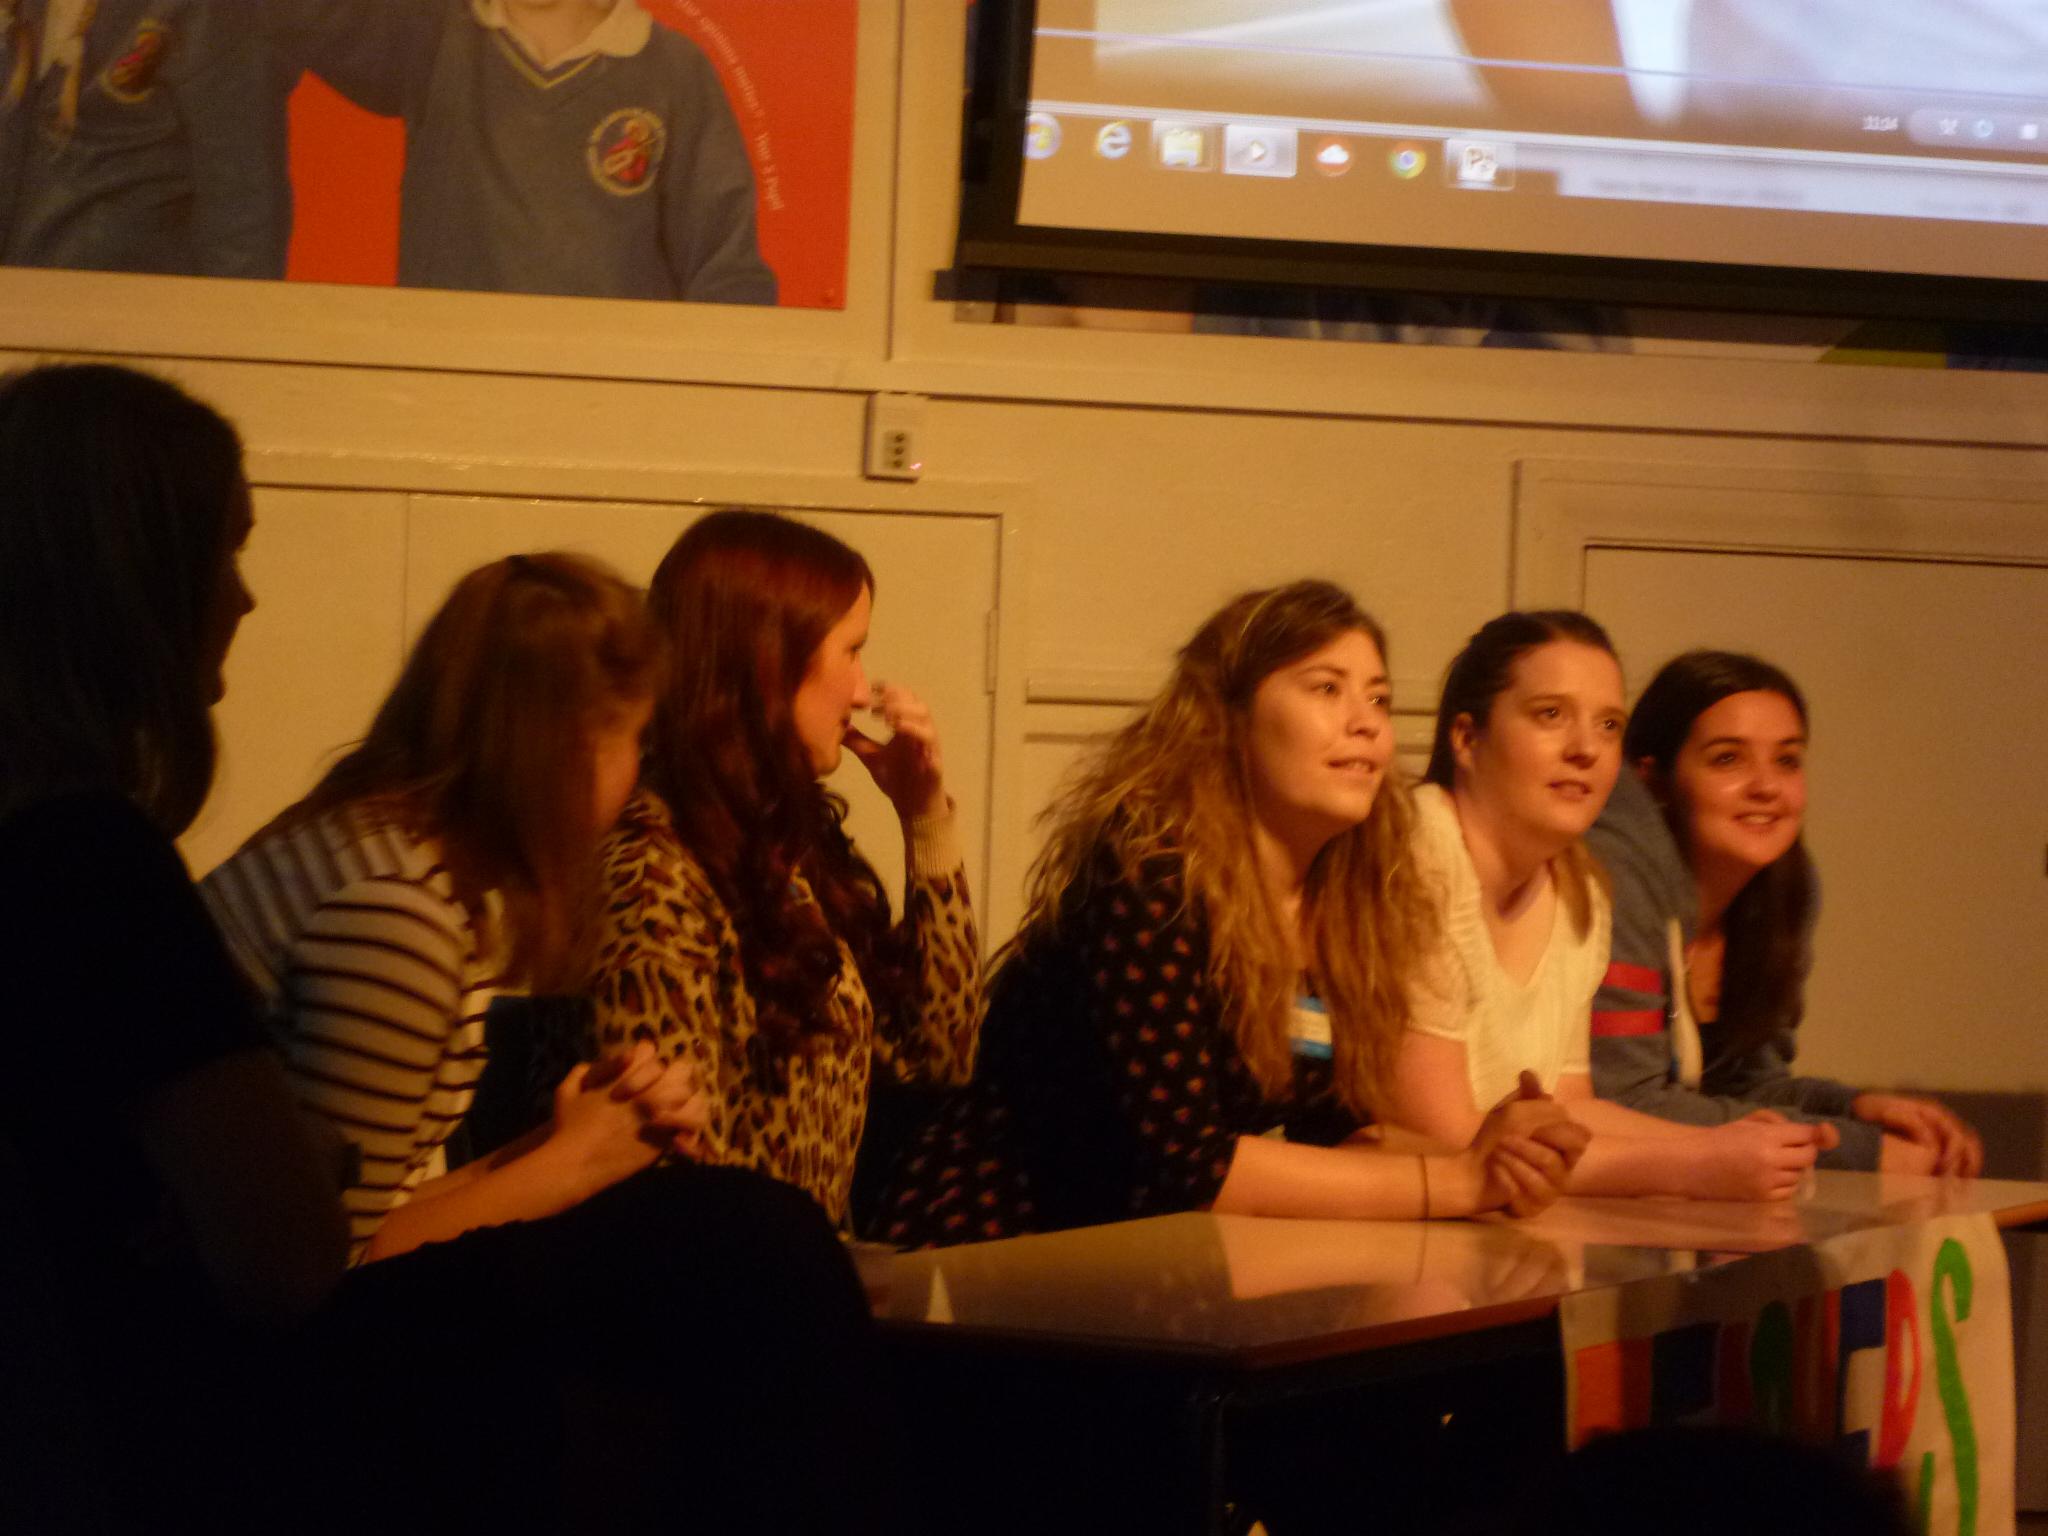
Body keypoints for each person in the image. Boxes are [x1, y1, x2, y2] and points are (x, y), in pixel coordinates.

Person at [878, 580, 1590, 1250]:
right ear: (1231, 716)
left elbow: (1334, 1133)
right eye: (1327, 688)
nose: (1367, 724)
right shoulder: (1149, 876)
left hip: (1161, 1268)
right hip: (999, 1256)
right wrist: (1460, 1181)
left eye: (1378, 698)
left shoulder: (1350, 898)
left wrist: (1500, 1158)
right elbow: (1193, 1167)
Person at [0, 362, 348, 1530]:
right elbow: (286, 1261)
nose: (244, 598)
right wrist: (308, 1156)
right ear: (134, 580)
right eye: (224, 551)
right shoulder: (91, 864)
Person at [201, 551, 711, 1262]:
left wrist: (562, 1143)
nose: (639, 770)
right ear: (567, 750)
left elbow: (376, 1210)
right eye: (635, 737)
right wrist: (579, 1161)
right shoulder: (396, 915)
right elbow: (323, 1270)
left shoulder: (385, 853)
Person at [583, 508, 982, 1229]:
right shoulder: (653, 872)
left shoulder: (790, 847)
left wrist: (925, 820)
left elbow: (941, 1057)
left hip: (798, 1274)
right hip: (725, 1285)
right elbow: (666, 1183)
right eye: (850, 652)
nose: (862, 692)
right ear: (768, 662)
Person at [1383, 612, 1837, 1200]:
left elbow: (1572, 1109)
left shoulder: (1580, 888)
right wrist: (1695, 1163)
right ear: (1468, 738)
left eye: (1608, 725)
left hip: (1488, 1223)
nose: (1585, 750)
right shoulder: (1421, 849)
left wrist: (1734, 1144)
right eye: (1551, 715)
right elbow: (1442, 1137)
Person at [1586, 650, 1983, 1176]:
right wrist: (1861, 1151)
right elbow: (1625, 1105)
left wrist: (1856, 1107)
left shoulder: (1784, 890)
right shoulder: (1618, 884)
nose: (1767, 787)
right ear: (1653, 777)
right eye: (1728, 759)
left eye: (1787, 760)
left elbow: (1746, 1087)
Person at [267, 0, 777, 303]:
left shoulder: (673, 69)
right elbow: (311, 15)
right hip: (451, 377)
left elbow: (726, 270)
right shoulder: (433, 34)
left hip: (611, 392)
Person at [0, 0, 293, 276]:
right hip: (25, 297)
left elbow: (245, 211)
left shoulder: (210, 12)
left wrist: (232, 311)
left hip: (132, 300)